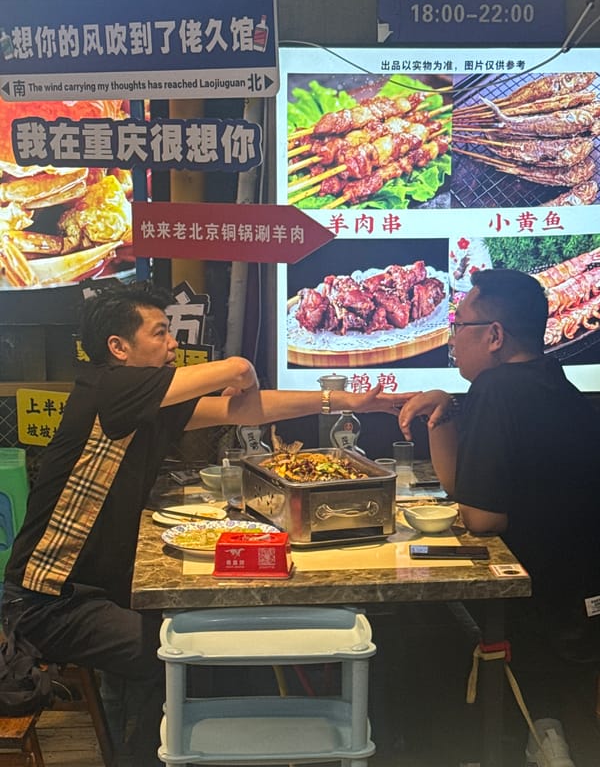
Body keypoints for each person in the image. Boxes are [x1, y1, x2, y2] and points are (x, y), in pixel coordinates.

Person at [1, 280, 413, 767]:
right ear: (119, 347)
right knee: (183, 656)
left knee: (197, 643)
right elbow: (238, 372)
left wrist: (345, 403)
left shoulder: (142, 403)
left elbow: (241, 409)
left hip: (90, 593)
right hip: (48, 601)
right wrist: (245, 373)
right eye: (160, 333)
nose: (173, 342)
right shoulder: (107, 387)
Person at [398, 268, 600, 761]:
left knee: (412, 619)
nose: (452, 341)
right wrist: (443, 413)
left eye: (459, 327)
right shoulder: (550, 382)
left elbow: (483, 519)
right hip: (577, 603)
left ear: (494, 336)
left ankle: (522, 738)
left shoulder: (498, 389)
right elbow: (465, 492)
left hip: (536, 609)